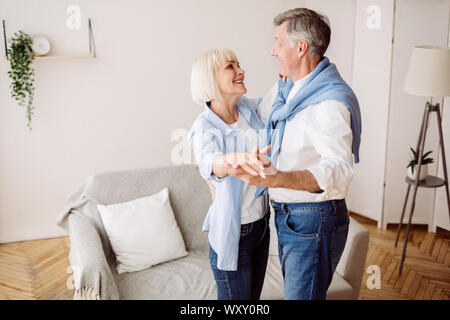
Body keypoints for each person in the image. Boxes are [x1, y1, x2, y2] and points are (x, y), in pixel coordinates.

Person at [225, 8, 362, 300]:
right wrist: (220, 93)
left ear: (300, 47)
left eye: (278, 42)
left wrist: (277, 179)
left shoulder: (328, 103)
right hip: (288, 217)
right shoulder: (286, 88)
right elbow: (259, 115)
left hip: (314, 220)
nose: (272, 51)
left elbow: (339, 171)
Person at [188, 48, 271, 300]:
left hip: (262, 225)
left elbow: (277, 97)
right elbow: (209, 161)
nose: (240, 70)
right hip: (235, 234)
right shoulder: (204, 127)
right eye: (230, 67)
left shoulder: (247, 108)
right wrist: (236, 159)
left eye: (239, 64)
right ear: (210, 79)